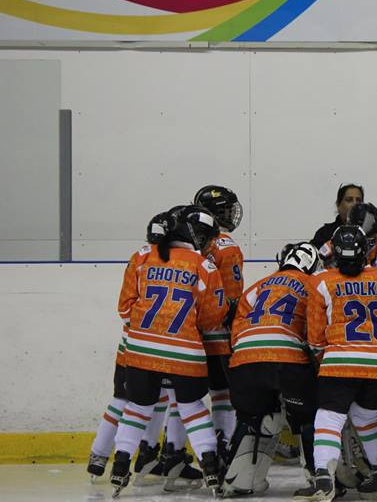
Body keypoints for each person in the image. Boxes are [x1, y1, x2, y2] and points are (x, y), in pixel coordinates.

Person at [109, 205, 229, 497]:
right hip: (186, 351)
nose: (206, 241)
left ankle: (120, 465)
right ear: (188, 231)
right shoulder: (204, 266)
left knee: (137, 407)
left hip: (140, 350)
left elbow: (124, 309)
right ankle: (210, 468)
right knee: (192, 408)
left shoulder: (141, 256)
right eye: (202, 234)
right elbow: (212, 318)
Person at [303, 224, 377, 501]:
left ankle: (323, 476)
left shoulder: (320, 281)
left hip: (340, 360)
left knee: (329, 418)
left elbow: (316, 335)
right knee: (366, 416)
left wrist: (323, 356)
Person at [222, 242, 321, 496]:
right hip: (287, 360)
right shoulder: (314, 285)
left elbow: (236, 332)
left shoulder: (257, 286)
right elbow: (316, 330)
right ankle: (317, 479)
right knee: (309, 418)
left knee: (253, 418)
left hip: (244, 360)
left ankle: (236, 480)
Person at [194, 185, 246, 451]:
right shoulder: (227, 246)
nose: (230, 215)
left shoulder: (197, 247)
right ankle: (222, 446)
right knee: (224, 394)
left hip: (195, 332)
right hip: (222, 332)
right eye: (224, 210)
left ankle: (171, 451)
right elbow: (234, 297)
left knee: (186, 399)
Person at [311, 184, 364, 250]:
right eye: (349, 200)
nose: (355, 204)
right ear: (338, 205)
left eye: (358, 200)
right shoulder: (324, 234)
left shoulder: (368, 234)